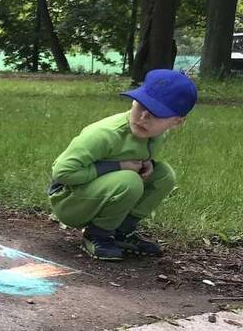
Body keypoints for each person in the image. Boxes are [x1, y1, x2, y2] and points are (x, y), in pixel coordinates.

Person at [48, 69, 198, 261]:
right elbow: (61, 173)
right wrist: (117, 167)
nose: (143, 117)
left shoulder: (157, 134)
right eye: (140, 105)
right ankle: (97, 234)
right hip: (68, 200)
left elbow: (134, 153)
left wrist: (147, 163)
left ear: (177, 122)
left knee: (164, 175)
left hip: (99, 188)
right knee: (129, 181)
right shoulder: (105, 134)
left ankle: (122, 232)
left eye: (156, 113)